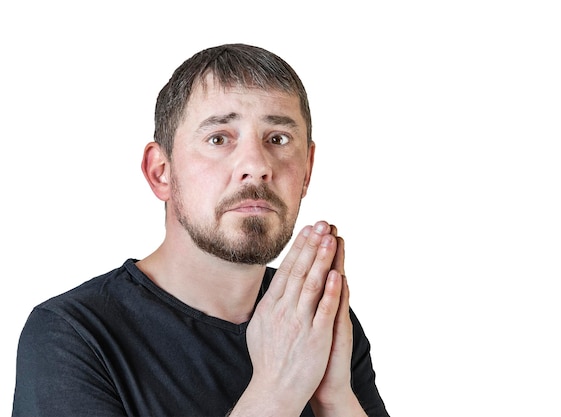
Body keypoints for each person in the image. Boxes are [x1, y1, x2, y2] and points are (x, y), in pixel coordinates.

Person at [12, 43, 389, 417]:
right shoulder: (70, 335)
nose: (256, 165)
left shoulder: (313, 317)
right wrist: (277, 390)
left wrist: (335, 398)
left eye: (278, 139)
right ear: (161, 171)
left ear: (307, 170)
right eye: (219, 138)